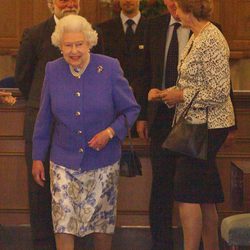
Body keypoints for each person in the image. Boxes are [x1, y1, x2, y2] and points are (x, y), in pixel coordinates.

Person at [31, 14, 140, 250]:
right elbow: (44, 117)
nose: (74, 51)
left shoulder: (109, 67)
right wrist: (38, 157)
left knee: (101, 225)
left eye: (79, 44)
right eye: (68, 45)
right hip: (63, 162)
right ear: (59, 46)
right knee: (63, 223)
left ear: (89, 42)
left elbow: (131, 109)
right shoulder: (52, 70)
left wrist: (110, 132)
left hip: (103, 162)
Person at [14, 0, 102, 249]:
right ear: (50, 4)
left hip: (81, 130)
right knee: (40, 193)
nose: (70, 3)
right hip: (41, 128)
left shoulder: (91, 34)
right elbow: (23, 77)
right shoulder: (33, 35)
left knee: (79, 194)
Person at [154, 0, 235, 249]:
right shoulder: (197, 35)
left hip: (208, 127)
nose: (173, 12)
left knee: (186, 194)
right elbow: (194, 82)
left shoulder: (211, 37)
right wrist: (168, 94)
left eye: (176, 6)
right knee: (205, 196)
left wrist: (181, 95)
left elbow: (220, 91)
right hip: (197, 124)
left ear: (187, 8)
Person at [136, 0, 190, 249]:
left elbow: (221, 79)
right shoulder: (154, 26)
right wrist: (142, 116)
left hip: (194, 118)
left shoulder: (208, 29)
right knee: (161, 184)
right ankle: (161, 243)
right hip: (160, 119)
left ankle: (195, 241)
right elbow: (144, 71)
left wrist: (230, 125)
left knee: (192, 184)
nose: (172, 5)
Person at [98, 0, 147, 136]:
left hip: (144, 104)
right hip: (111, 108)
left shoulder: (152, 28)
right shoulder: (103, 30)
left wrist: (145, 116)